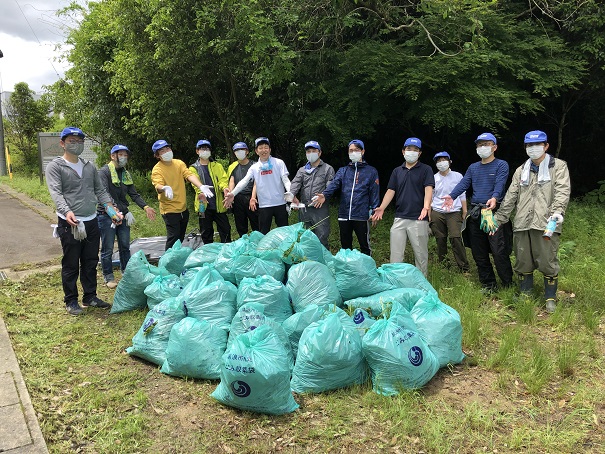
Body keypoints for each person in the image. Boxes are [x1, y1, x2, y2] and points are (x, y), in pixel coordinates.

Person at [494, 130, 571, 313]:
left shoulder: (558, 166)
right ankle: (525, 293)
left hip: (546, 223)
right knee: (523, 260)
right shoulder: (521, 170)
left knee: (547, 260)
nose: (533, 148)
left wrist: (557, 212)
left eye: (537, 145)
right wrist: (499, 219)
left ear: (546, 146)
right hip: (522, 222)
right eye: (529, 145)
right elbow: (511, 195)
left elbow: (562, 191)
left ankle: (550, 297)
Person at [45, 127, 119, 315]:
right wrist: (67, 211)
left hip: (92, 220)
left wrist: (110, 209)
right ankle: (71, 300)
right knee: (71, 263)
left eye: (79, 141)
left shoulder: (89, 166)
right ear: (62, 143)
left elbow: (100, 190)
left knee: (90, 260)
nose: (76, 144)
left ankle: (90, 296)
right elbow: (56, 193)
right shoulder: (55, 166)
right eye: (71, 140)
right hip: (70, 222)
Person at [442, 132, 513, 291]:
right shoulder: (473, 167)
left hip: (493, 213)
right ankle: (489, 285)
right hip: (475, 213)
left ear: (494, 147)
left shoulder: (501, 165)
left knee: (498, 251)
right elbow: (464, 183)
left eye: (486, 144)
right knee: (479, 252)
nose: (482, 147)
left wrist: (494, 197)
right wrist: (451, 197)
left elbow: (500, 184)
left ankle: (508, 284)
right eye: (479, 144)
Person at [371, 137, 434, 276]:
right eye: (409, 149)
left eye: (415, 150)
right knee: (396, 255)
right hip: (399, 217)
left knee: (421, 255)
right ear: (403, 151)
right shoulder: (397, 171)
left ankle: (421, 283)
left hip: (419, 217)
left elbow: (428, 188)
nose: (412, 152)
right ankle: (395, 281)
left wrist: (426, 206)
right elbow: (390, 190)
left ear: (420, 153)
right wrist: (382, 207)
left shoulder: (426, 169)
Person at [97, 144, 157, 289]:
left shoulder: (125, 174)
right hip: (106, 214)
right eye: (121, 154)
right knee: (108, 247)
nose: (124, 157)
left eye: (126, 155)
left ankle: (126, 272)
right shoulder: (104, 172)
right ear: (113, 156)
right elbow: (104, 193)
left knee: (125, 245)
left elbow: (133, 194)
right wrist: (114, 211)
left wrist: (145, 206)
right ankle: (108, 276)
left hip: (122, 214)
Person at [313, 139, 379, 256]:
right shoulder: (343, 170)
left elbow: (374, 191)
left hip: (361, 214)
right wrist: (324, 194)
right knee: (345, 246)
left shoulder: (371, 171)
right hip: (344, 214)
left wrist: (374, 209)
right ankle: (346, 270)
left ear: (362, 151)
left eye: (356, 150)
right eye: (351, 150)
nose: (353, 152)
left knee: (364, 245)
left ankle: (368, 271)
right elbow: (334, 184)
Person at [150, 139, 210, 250]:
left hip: (183, 208)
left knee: (180, 238)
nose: (167, 151)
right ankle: (167, 263)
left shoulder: (179, 163)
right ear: (157, 155)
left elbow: (188, 175)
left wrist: (200, 186)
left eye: (167, 148)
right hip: (169, 210)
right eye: (162, 151)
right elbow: (157, 186)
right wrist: (164, 188)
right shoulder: (157, 169)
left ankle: (175, 259)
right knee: (173, 238)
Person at [224, 137, 291, 234]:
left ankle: (286, 248)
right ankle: (264, 249)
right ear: (256, 151)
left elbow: (286, 180)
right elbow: (244, 181)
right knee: (263, 233)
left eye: (266, 147)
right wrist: (233, 194)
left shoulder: (279, 162)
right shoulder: (254, 167)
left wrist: (291, 193)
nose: (264, 150)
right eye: (261, 148)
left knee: (285, 232)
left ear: (270, 149)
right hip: (264, 205)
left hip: (280, 203)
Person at [429, 151, 470, 272]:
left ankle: (464, 267)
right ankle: (444, 265)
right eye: (439, 161)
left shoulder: (458, 176)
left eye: (444, 160)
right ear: (436, 164)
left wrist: (464, 210)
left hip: (454, 211)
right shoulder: (433, 178)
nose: (441, 163)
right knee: (440, 239)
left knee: (456, 237)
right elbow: (430, 197)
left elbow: (462, 194)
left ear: (450, 161)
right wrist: (429, 213)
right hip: (437, 211)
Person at [290, 141, 335, 248]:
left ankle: (323, 262)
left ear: (319, 153)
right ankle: (307, 263)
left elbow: (331, 186)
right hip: (305, 209)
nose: (311, 153)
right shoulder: (302, 170)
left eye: (314, 151)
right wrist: (292, 196)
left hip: (320, 208)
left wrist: (323, 195)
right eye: (308, 151)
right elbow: (295, 183)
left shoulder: (327, 169)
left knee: (322, 236)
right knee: (305, 237)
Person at [189, 139, 231, 244]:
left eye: (207, 148)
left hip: (218, 204)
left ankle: (227, 251)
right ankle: (208, 252)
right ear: (197, 151)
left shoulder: (217, 166)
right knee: (206, 231)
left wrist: (225, 188)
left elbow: (223, 180)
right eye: (202, 148)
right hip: (203, 205)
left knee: (225, 229)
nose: (205, 150)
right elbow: (195, 183)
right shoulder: (193, 168)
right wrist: (200, 193)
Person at [227, 142, 259, 237]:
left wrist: (253, 197)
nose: (239, 152)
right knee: (240, 225)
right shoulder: (232, 166)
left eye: (242, 150)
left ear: (247, 151)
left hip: (252, 196)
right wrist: (230, 194)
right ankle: (243, 244)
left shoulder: (255, 165)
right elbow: (231, 181)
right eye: (237, 150)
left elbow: (256, 183)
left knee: (256, 223)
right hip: (238, 198)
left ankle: (258, 244)